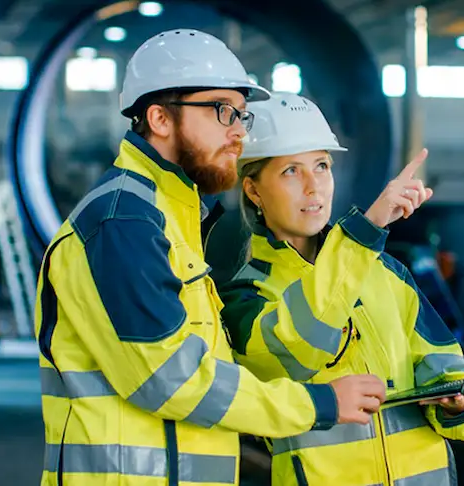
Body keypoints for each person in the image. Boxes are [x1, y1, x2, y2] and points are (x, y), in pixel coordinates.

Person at [33, 30, 385, 486]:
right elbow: (169, 379)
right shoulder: (124, 221)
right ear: (159, 118)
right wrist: (317, 404)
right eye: (222, 111)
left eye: (241, 115)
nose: (239, 131)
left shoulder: (169, 216)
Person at [204, 92, 464, 486]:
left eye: (322, 166)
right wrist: (367, 229)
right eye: (291, 171)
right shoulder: (245, 294)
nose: (314, 187)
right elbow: (297, 352)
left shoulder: (387, 272)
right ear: (253, 191)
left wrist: (458, 403)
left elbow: (443, 367)